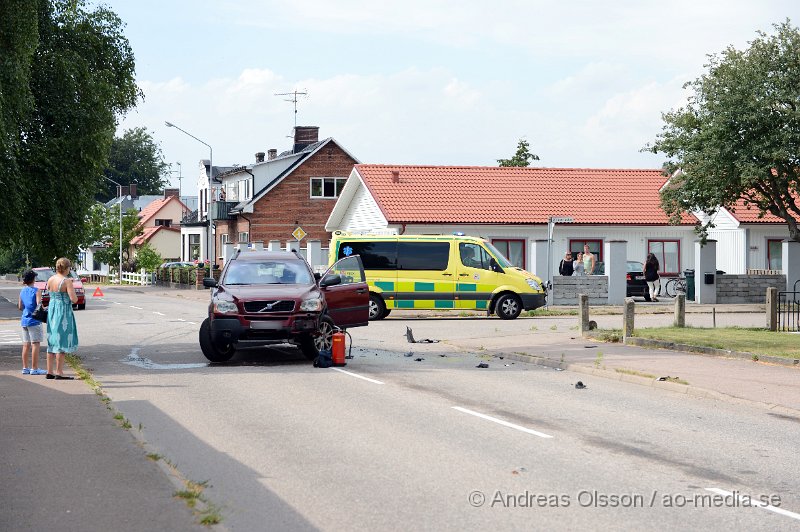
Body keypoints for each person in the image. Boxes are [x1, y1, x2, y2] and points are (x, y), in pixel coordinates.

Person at [45, 258, 79, 380]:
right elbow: (74, 299)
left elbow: (49, 293)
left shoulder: (50, 279)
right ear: (67, 268)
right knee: (62, 340)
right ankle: (59, 372)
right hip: (63, 312)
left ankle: (49, 371)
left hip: (52, 311)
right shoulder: (66, 281)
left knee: (52, 340)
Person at [17, 270, 47, 375]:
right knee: (35, 344)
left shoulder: (22, 291)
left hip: (24, 320)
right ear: (33, 279)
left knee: (26, 345)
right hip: (34, 321)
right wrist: (45, 308)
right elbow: (39, 306)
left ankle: (25, 368)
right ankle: (35, 368)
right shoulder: (36, 290)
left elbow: (20, 306)